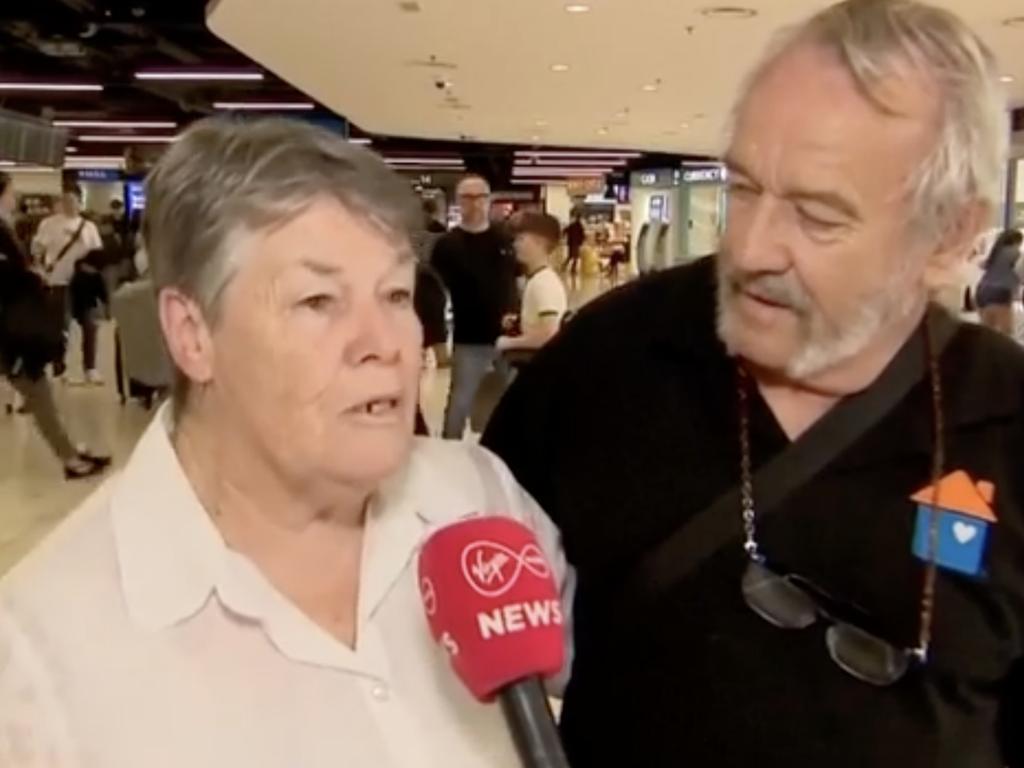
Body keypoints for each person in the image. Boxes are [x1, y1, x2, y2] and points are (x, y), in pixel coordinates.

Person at [483, 1, 1024, 766]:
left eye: (817, 216)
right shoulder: (610, 361)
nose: (754, 247)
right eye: (743, 188)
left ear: (950, 238)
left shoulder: (1007, 418)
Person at [0, 118, 568, 767]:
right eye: (319, 300)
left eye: (395, 294)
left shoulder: (478, 499)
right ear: (192, 334)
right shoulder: (36, 666)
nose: (384, 341)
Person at [0, 171, 110, 479]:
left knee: (38, 392)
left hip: (14, 326)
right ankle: (71, 457)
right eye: (11, 191)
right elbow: (13, 275)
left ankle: (71, 456)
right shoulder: (3, 231)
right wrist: (31, 277)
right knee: (37, 391)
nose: (15, 197)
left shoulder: (6, 229)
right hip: (12, 328)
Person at [432, 174, 518, 439]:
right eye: (468, 198)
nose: (475, 204)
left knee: (511, 401)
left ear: (489, 200)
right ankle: (450, 452)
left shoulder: (505, 239)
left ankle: (507, 451)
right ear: (459, 202)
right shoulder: (447, 246)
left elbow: (518, 280)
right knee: (460, 401)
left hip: (511, 338)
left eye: (481, 197)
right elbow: (436, 292)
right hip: (469, 337)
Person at [31, 185, 103, 382]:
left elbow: (97, 254)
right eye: (66, 200)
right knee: (60, 325)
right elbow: (37, 249)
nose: (70, 205)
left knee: (90, 324)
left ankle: (90, 367)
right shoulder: (49, 224)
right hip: (58, 281)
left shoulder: (89, 227)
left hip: (83, 284)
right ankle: (59, 364)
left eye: (73, 200)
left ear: (80, 202)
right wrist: (40, 269)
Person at [497, 212, 568, 353]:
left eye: (521, 239)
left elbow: (549, 335)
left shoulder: (543, 283)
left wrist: (508, 343)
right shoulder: (538, 279)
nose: (515, 245)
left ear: (539, 242)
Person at [976, 228, 1022, 336]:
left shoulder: (995, 253)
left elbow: (982, 265)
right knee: (1006, 335)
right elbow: (1020, 271)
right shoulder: (1015, 253)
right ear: (1016, 241)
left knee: (986, 335)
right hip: (1000, 293)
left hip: (981, 293)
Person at [563, 208, 585, 280]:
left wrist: (564, 236)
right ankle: (573, 269)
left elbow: (565, 230)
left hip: (571, 242)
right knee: (575, 257)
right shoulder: (579, 226)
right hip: (576, 243)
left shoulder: (572, 225)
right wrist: (581, 241)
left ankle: (564, 267)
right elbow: (582, 235)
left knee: (570, 256)